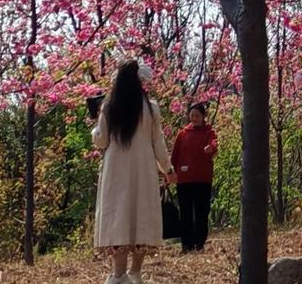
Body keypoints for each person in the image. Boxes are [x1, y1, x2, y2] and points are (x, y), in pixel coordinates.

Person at [93, 59, 176, 284]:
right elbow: (157, 141)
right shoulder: (151, 108)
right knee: (142, 214)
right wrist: (168, 168)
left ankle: (118, 274)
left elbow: (100, 141)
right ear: (140, 81)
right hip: (143, 168)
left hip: (116, 170)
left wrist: (94, 129)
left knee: (118, 215)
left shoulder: (109, 107)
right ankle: (136, 273)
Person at [170, 102, 218, 252]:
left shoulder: (209, 132)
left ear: (203, 117)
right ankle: (186, 244)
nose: (194, 118)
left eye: (197, 115)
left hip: (203, 178)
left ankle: (199, 243)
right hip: (184, 179)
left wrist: (211, 148)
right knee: (185, 213)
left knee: (201, 212)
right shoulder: (182, 134)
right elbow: (175, 155)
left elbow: (214, 144)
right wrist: (170, 172)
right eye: (192, 115)